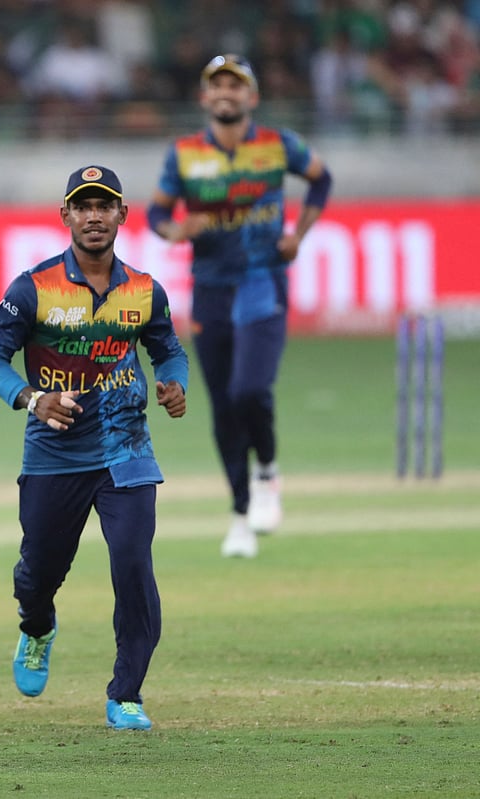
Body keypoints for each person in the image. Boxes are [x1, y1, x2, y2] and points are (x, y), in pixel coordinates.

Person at [0, 165, 188, 732]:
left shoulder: (145, 290)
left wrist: (176, 385)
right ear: (66, 216)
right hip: (54, 456)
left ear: (123, 214)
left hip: (127, 450)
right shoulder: (33, 287)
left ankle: (126, 693)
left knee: (132, 565)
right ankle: (36, 626)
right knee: (38, 575)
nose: (94, 215)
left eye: (105, 205)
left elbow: (169, 351)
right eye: (83, 205)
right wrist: (33, 399)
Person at [147, 54, 332, 559]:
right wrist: (174, 230)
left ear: (251, 96)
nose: (226, 93)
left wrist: (299, 233)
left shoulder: (277, 145)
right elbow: (157, 213)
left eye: (236, 85)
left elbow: (321, 179)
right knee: (224, 405)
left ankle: (268, 471)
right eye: (217, 85)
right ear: (205, 97)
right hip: (211, 287)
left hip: (262, 281)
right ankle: (239, 514)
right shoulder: (184, 154)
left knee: (251, 389)